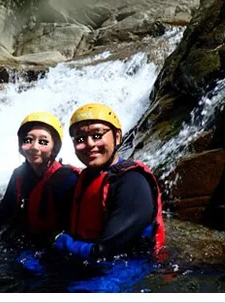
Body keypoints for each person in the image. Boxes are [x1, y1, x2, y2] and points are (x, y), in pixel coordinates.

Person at [52, 103, 165, 261]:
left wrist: (64, 243)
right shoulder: (85, 178)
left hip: (127, 266)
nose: (90, 144)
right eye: (80, 139)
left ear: (117, 137)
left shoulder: (132, 181)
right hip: (89, 258)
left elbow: (110, 248)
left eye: (97, 136)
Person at [0, 111, 80, 246]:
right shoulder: (19, 175)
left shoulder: (67, 179)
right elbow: (2, 214)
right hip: (23, 241)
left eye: (43, 142)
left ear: (54, 147)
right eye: (28, 140)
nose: (34, 147)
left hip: (54, 248)